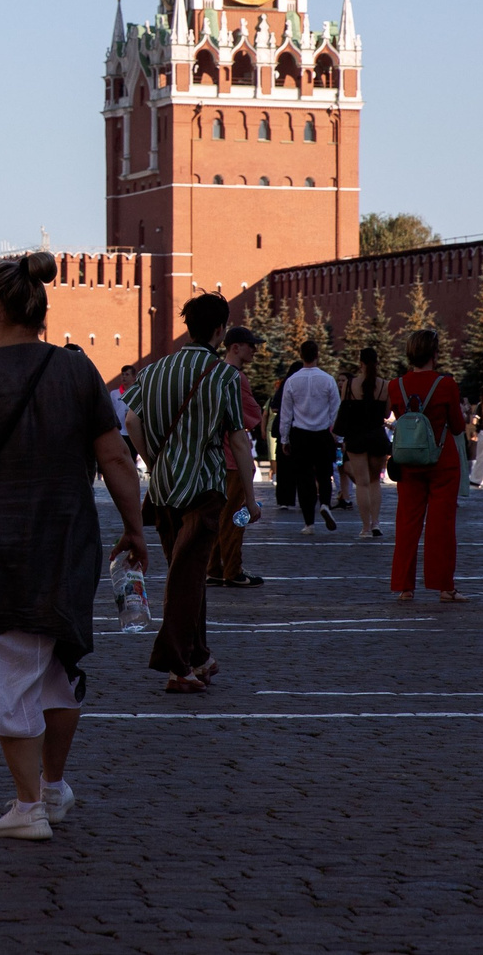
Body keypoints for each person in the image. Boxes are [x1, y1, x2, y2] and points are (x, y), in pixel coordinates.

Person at [0, 252, 146, 840]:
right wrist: (135, 528)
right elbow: (115, 457)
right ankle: (52, 787)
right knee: (53, 668)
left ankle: (28, 808)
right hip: (69, 540)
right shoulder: (77, 370)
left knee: (3, 673)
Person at [124, 294, 243, 692]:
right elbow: (238, 439)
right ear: (219, 330)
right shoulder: (224, 376)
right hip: (204, 486)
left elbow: (131, 420)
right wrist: (250, 497)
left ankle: (199, 656)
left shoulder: (153, 371)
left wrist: (153, 460)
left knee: (187, 573)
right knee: (187, 577)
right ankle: (176, 665)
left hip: (163, 489)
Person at [387, 329, 469, 602]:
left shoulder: (395, 385)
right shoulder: (446, 385)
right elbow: (457, 426)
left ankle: (404, 586)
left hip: (408, 461)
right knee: (441, 525)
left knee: (407, 522)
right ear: (435, 354)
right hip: (442, 461)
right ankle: (444, 586)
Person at [205, 332, 267, 588]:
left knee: (219, 517)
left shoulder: (213, 373)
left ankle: (214, 569)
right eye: (251, 346)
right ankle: (233, 570)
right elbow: (253, 415)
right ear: (235, 347)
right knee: (235, 518)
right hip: (233, 457)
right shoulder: (236, 377)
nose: (255, 350)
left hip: (216, 456)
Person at [278, 339, 342, 532]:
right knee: (325, 474)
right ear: (317, 355)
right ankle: (325, 503)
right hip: (322, 433)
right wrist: (337, 436)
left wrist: (284, 439)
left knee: (304, 479)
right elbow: (336, 410)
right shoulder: (328, 380)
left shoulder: (292, 381)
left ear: (301, 355)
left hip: (300, 434)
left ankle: (309, 523)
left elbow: (286, 414)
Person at [336, 346, 389, 539]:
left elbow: (343, 411)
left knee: (362, 483)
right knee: (375, 482)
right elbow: (386, 414)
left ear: (360, 363)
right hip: (377, 436)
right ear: (377, 363)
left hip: (356, 437)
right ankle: (376, 523)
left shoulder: (349, 385)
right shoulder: (385, 385)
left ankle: (365, 527)